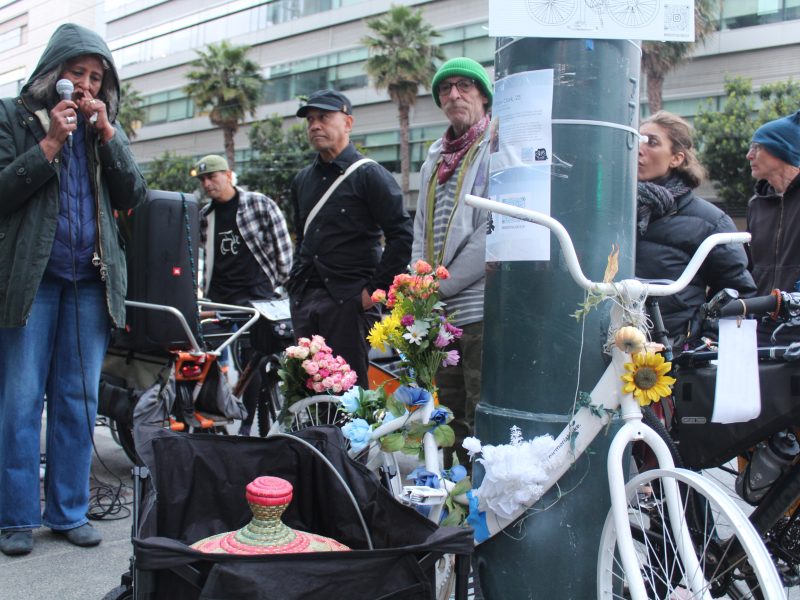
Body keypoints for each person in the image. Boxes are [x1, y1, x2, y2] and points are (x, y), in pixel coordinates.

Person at [0, 23, 147, 556]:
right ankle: (14, 516)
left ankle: (67, 510)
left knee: (78, 400)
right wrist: (51, 143)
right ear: (53, 73)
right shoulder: (12, 118)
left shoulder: (104, 127)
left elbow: (134, 194)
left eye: (95, 77)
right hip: (31, 283)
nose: (85, 84)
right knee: (20, 401)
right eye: (76, 72)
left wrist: (107, 134)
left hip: (91, 283)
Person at [288, 89, 413, 387]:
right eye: (311, 120)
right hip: (305, 297)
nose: (315, 125)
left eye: (324, 118)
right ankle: (312, 436)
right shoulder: (302, 179)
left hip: (349, 299)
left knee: (350, 392)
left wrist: (373, 292)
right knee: (307, 389)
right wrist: (295, 287)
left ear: (348, 123)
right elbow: (301, 238)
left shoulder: (370, 174)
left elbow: (401, 235)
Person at [411, 57, 493, 468]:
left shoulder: (497, 144)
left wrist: (439, 285)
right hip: (440, 313)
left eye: (464, 86)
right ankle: (451, 506)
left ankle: (479, 506)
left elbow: (494, 228)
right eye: (446, 89)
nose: (454, 94)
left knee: (480, 414)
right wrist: (417, 288)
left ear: (483, 95)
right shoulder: (435, 156)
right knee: (445, 416)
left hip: (479, 307)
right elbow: (420, 230)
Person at [636, 111, 756, 348]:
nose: (640, 149)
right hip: (604, 351)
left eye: (652, 142)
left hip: (673, 359)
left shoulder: (711, 221)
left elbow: (738, 292)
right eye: (637, 140)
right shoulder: (607, 212)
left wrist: (701, 340)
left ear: (676, 158)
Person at [193, 155, 293, 435]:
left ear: (228, 174)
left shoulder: (258, 204)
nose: (207, 183)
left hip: (257, 298)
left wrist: (282, 285)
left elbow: (281, 244)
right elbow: (200, 254)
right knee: (205, 359)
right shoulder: (205, 216)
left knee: (255, 364)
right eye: (203, 179)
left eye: (212, 176)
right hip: (218, 299)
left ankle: (247, 424)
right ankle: (211, 418)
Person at [746, 110, 800, 345]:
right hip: (761, 326)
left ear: (783, 149)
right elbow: (748, 266)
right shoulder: (756, 204)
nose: (749, 155)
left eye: (757, 147)